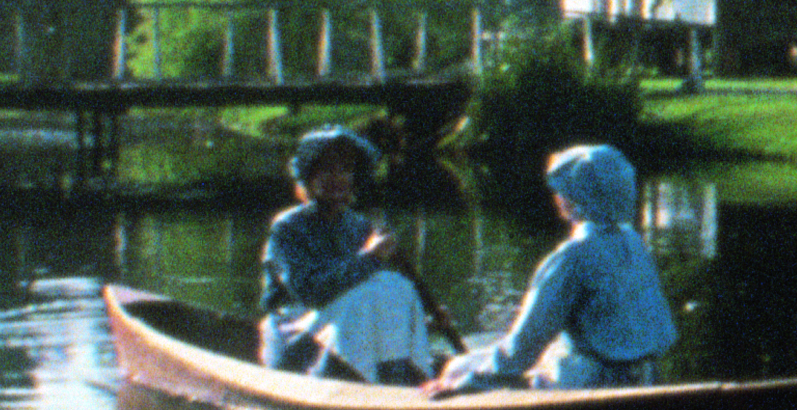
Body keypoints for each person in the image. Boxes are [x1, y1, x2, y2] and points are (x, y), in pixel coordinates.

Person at [427, 143, 677, 394]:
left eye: (560, 190)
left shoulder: (573, 256)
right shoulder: (634, 243)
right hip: (647, 376)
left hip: (593, 384)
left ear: (571, 197)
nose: (556, 196)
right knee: (544, 354)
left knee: (456, 367)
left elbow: (522, 347)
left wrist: (464, 381)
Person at [260, 126, 434, 380]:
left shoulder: (359, 225)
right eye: (326, 170)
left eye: (345, 170)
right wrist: (370, 257)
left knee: (397, 286)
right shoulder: (287, 228)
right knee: (366, 295)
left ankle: (394, 377)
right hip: (296, 338)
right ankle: (360, 380)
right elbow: (311, 294)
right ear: (308, 177)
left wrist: (418, 318)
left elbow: (379, 297)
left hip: (345, 330)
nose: (337, 178)